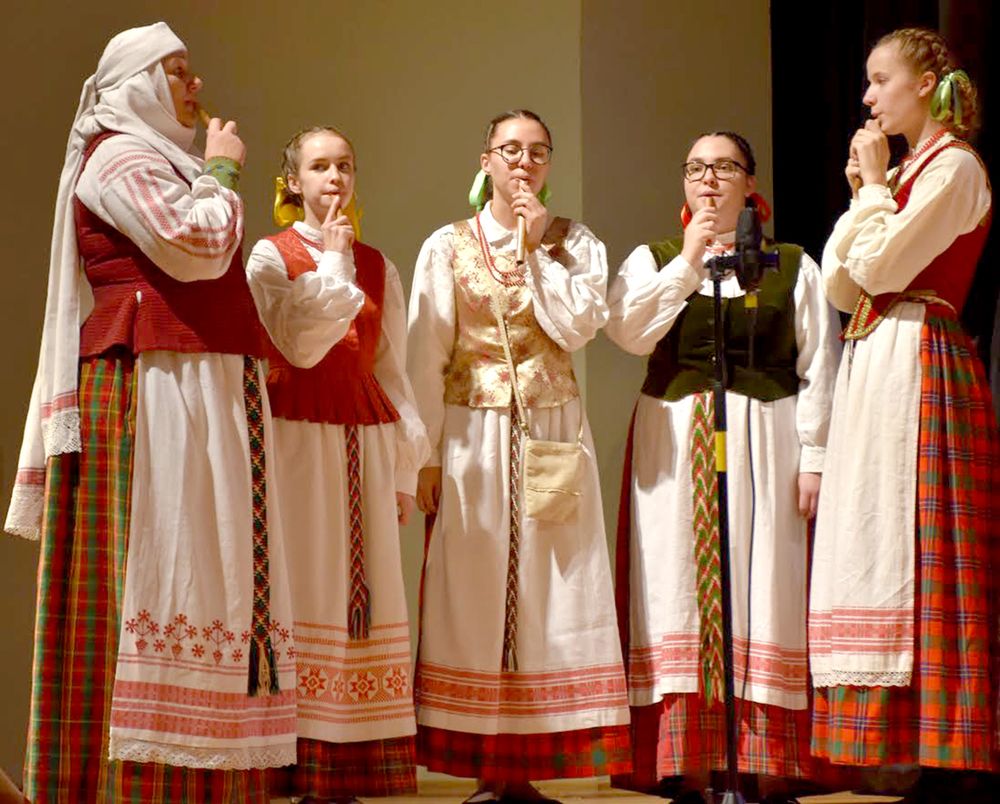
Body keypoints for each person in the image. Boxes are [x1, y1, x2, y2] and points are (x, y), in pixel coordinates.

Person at [5, 22, 297, 803]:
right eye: (177, 71)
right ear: (135, 84)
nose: (195, 85)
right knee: (150, 572)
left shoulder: (162, 161)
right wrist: (223, 168)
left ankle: (203, 782)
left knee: (207, 575)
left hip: (198, 391)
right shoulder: (118, 158)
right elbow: (194, 246)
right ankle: (133, 784)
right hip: (153, 391)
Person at [606, 131, 841, 802]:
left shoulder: (791, 264)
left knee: (767, 591)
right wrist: (687, 262)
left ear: (750, 183)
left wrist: (815, 458)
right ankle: (687, 765)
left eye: (724, 167)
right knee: (678, 587)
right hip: (675, 443)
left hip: (768, 442)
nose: (708, 179)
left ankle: (769, 769)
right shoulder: (654, 259)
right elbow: (628, 333)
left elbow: (819, 365)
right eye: (696, 168)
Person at [407, 109, 631, 802]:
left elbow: (577, 327)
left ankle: (530, 762)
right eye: (510, 150)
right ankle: (485, 764)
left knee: (550, 587)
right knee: (474, 587)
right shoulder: (447, 244)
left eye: (537, 151)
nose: (524, 162)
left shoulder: (575, 243)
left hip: (550, 427)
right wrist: (425, 455)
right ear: (486, 161)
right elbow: (425, 352)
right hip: (472, 431)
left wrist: (536, 253)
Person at [809, 26, 997, 788]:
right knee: (876, 535)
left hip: (923, 354)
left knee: (923, 537)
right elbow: (839, 282)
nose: (866, 96)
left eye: (879, 79)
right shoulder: (899, 174)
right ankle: (900, 746)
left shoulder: (954, 168)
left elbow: (882, 267)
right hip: (877, 356)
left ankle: (947, 750)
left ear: (924, 85)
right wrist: (871, 190)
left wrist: (872, 190)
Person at [245, 126, 429, 802]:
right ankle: (288, 760)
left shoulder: (378, 264)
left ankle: (343, 768)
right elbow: (299, 344)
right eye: (319, 166)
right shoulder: (270, 255)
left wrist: (405, 472)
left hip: (364, 443)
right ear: (292, 181)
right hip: (294, 439)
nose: (334, 177)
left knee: (363, 597)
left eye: (344, 165)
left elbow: (393, 371)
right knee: (303, 586)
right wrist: (333, 260)